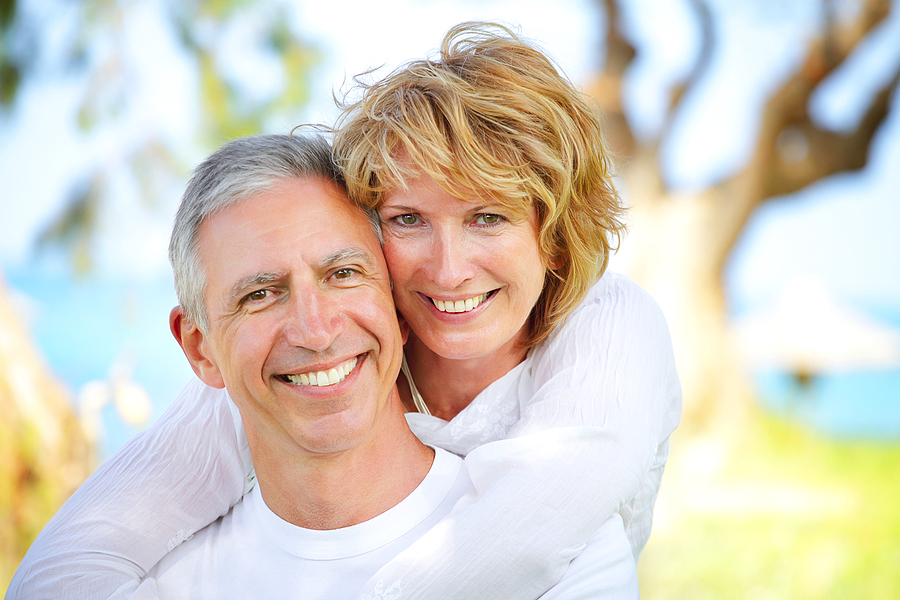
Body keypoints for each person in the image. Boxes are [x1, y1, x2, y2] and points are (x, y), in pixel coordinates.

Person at [7, 22, 681, 600]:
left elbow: (532, 527)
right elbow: (74, 564)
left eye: (488, 217)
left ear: (556, 238)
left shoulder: (610, 330)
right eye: (408, 219)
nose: (449, 269)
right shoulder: (319, 356)